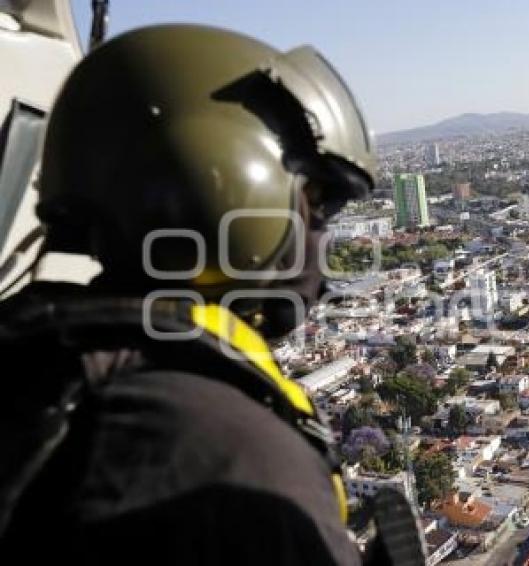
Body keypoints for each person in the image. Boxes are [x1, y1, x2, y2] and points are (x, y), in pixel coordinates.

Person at [0, 24, 378, 564]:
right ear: (224, 182)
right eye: (314, 198)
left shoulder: (43, 360)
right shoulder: (232, 456)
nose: (320, 231)